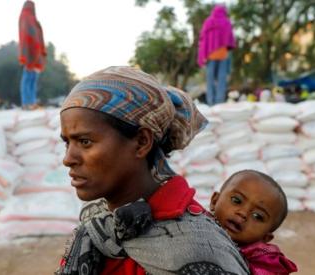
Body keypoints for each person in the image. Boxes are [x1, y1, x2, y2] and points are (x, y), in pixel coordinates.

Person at [57, 66, 250, 274]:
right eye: (67, 143)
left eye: (85, 141)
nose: (68, 159)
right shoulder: (98, 224)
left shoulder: (197, 247)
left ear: (141, 142)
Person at [210, 170, 298, 275]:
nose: (243, 213)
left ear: (265, 238)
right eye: (236, 200)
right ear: (215, 201)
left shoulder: (265, 265)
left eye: (257, 216)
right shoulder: (193, 226)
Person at [198, 4, 236, 106]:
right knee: (221, 78)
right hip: (223, 53)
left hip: (211, 54)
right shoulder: (226, 22)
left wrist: (203, 54)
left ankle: (211, 101)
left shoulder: (208, 22)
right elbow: (230, 39)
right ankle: (219, 101)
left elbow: (203, 39)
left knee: (210, 79)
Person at [18, 0, 46, 110]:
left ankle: (32, 102)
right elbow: (24, 36)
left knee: (33, 78)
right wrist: (26, 53)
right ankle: (26, 103)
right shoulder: (25, 17)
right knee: (27, 78)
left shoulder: (34, 20)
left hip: (36, 52)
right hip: (28, 51)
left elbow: (37, 36)